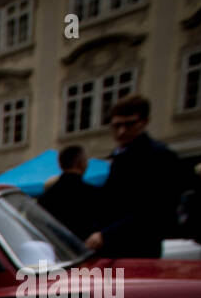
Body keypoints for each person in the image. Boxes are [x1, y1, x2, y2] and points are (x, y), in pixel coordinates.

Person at [85, 96, 185, 258]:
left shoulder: (158, 157)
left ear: (144, 122)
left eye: (129, 124)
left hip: (137, 249)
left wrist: (106, 235)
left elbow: (155, 210)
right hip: (111, 249)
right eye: (116, 126)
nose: (122, 131)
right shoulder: (118, 157)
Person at [38, 145, 102, 242]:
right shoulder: (93, 194)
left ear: (60, 165)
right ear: (82, 163)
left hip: (56, 251)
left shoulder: (45, 198)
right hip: (85, 251)